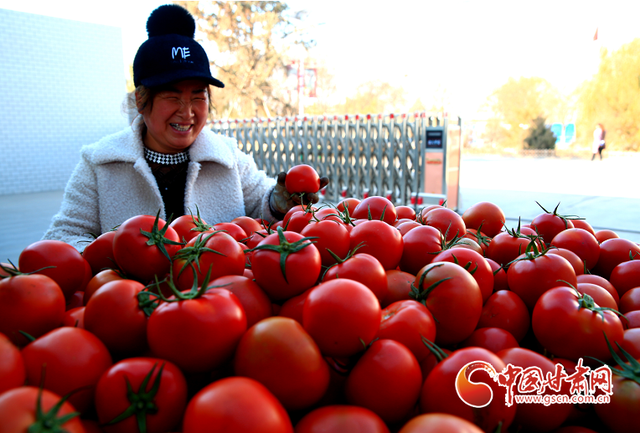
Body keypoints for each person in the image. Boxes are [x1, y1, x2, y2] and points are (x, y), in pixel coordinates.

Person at [43, 4, 326, 251]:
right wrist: (119, 258)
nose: (187, 111)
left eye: (198, 95)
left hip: (215, 303)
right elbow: (65, 236)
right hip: (132, 304)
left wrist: (280, 202)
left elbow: (262, 204)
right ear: (141, 100)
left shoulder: (226, 157)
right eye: (172, 96)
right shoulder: (100, 163)